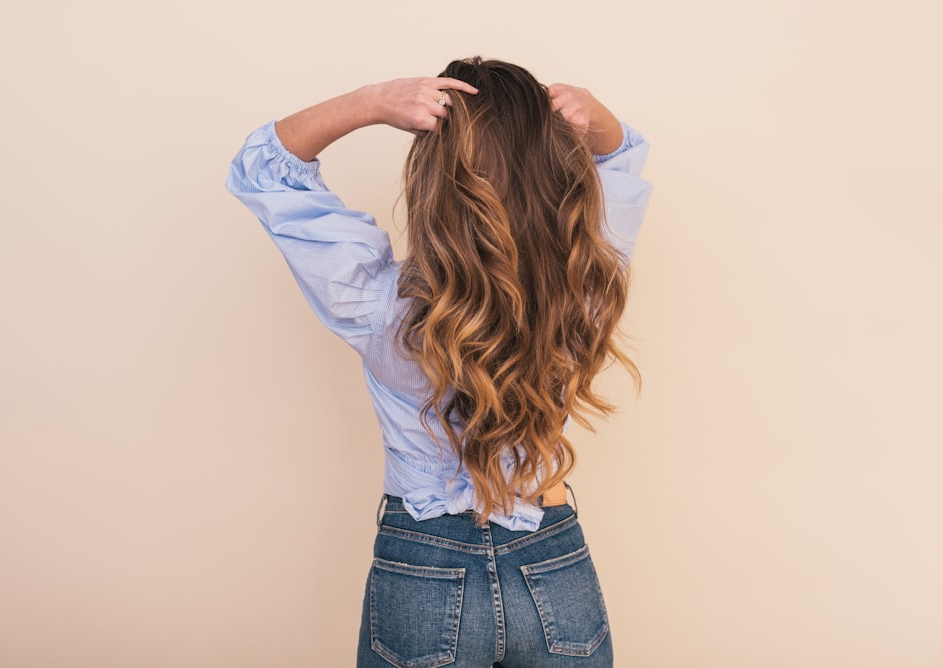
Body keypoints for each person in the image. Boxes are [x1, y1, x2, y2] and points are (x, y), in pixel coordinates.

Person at [226, 57, 652, 668]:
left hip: (422, 571)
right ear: (551, 172)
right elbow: (620, 158)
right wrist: (596, 116)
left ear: (431, 181)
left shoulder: (381, 308)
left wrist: (374, 101)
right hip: (553, 568)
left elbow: (265, 169)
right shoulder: (583, 282)